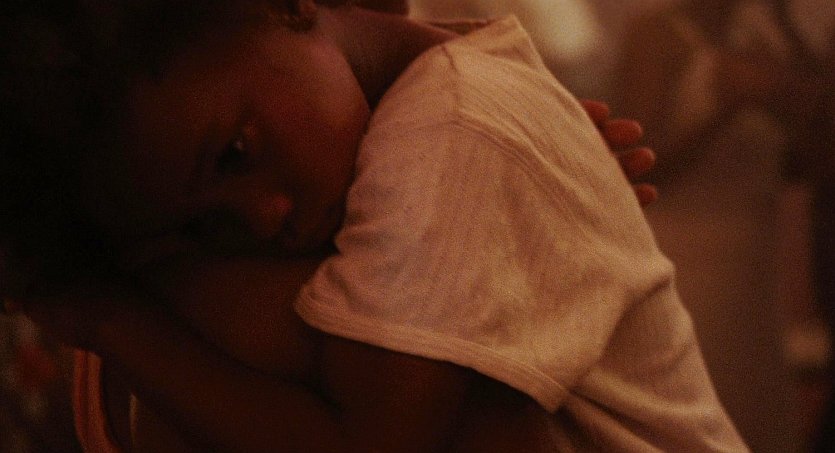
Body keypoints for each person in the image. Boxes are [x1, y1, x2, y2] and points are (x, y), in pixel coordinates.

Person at [1, 0, 746, 451]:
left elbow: (369, 443)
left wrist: (112, 321)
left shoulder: (452, 131)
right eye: (200, 230)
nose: (262, 219)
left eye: (235, 154)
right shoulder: (425, 119)